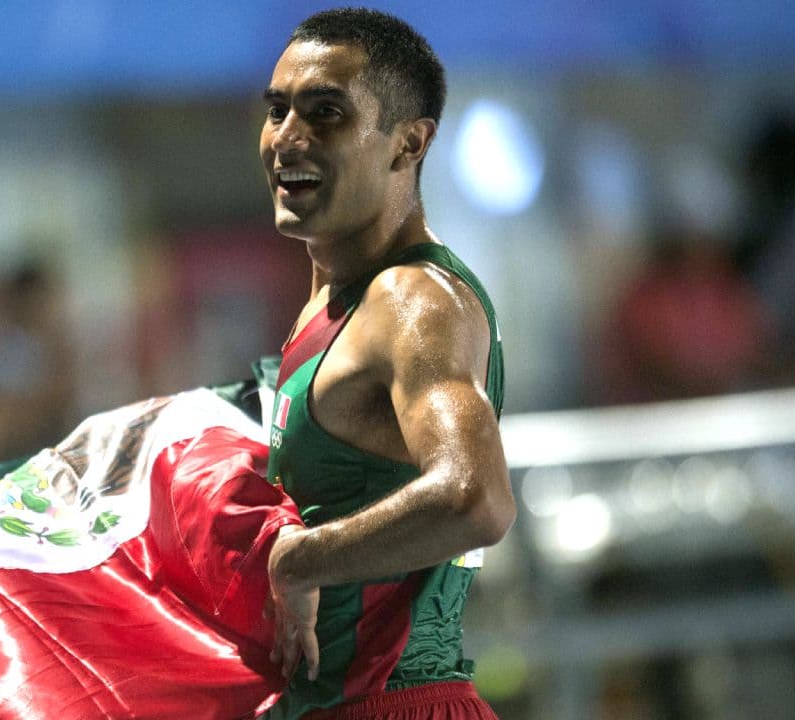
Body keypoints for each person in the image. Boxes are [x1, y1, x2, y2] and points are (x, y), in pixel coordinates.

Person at [258, 9, 514, 719]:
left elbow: (477, 497)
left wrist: (299, 561)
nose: (287, 138)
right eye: (277, 110)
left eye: (326, 112)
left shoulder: (413, 301)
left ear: (409, 143)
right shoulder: (333, 299)